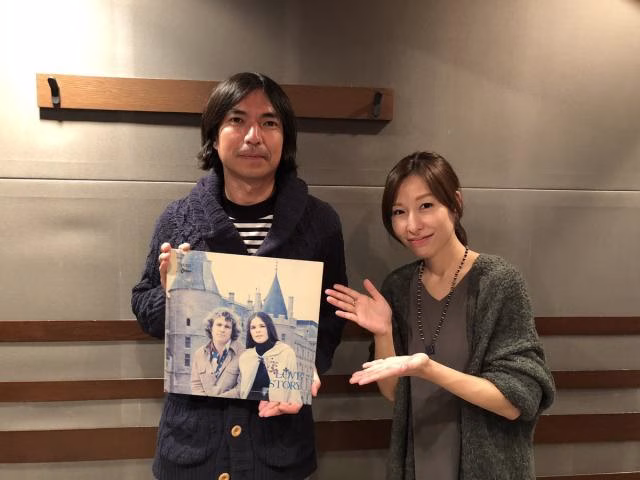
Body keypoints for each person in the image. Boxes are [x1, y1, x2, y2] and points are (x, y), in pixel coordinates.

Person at [132, 72, 347, 480]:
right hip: (194, 445)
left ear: (285, 139)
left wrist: (309, 368)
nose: (253, 136)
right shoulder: (178, 219)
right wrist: (168, 294)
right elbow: (145, 310)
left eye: (269, 122)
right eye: (237, 120)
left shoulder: (320, 223)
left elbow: (332, 315)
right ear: (214, 137)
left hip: (279, 442)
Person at [326, 151, 555, 480]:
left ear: (455, 204)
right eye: (399, 212)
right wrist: (383, 331)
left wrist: (429, 370)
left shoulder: (498, 282)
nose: (412, 225)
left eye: (426, 206)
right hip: (419, 465)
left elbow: (517, 400)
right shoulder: (398, 287)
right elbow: (396, 395)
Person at [238, 312, 302, 403]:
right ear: (249, 332)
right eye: (253, 327)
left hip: (275, 408)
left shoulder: (286, 353)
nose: (257, 330)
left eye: (262, 326)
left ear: (269, 328)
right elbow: (241, 389)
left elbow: (293, 390)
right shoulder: (245, 357)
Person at [191, 308, 243, 397]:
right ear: (211, 328)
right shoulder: (199, 354)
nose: (222, 329)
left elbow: (241, 388)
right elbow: (196, 385)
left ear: (232, 331)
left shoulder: (243, 353)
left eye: (227, 326)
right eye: (219, 325)